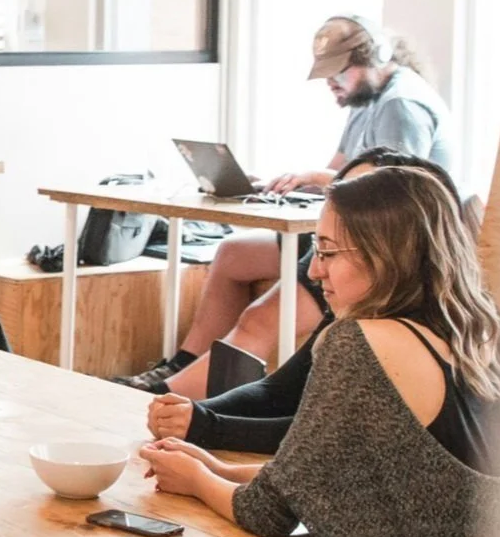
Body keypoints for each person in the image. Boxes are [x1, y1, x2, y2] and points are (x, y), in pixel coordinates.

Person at [141, 166, 500, 537]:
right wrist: (214, 467)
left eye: (327, 252)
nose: (314, 272)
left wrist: (195, 478)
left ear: (387, 255)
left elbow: (266, 513)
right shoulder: (474, 335)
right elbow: (345, 478)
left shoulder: (361, 342)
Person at [116, 16, 461, 395]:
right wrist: (288, 184)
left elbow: (394, 195)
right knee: (233, 255)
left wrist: (316, 178)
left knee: (259, 319)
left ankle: (172, 398)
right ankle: (182, 365)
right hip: (352, 235)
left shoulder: (402, 106)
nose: (331, 83)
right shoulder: (366, 100)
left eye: (338, 73)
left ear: (374, 58)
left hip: (381, 251)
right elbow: (340, 171)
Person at [146, 149, 468, 453]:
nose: (314, 271)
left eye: (329, 251)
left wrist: (204, 426)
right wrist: (194, 412)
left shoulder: (379, 338)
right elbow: (280, 394)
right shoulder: (368, 310)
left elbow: (318, 445)